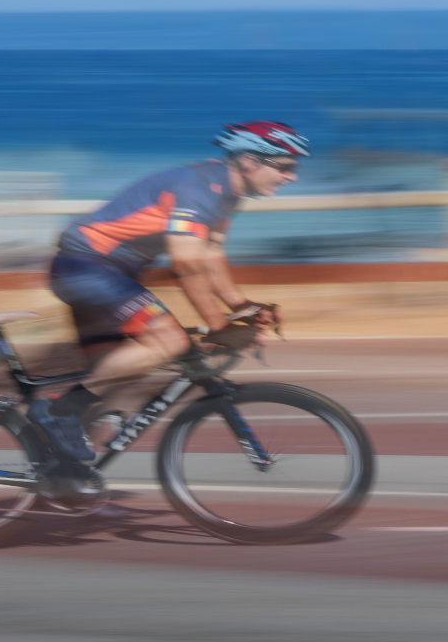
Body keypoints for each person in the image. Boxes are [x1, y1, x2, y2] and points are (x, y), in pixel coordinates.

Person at [26, 122, 304, 499]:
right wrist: (219, 326)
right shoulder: (203, 187)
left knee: (112, 374)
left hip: (103, 271)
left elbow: (210, 255)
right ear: (251, 162)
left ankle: (59, 477)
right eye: (285, 166)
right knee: (170, 342)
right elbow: (186, 264)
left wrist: (243, 308)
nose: (292, 176)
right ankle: (58, 414)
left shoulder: (224, 191)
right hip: (88, 267)